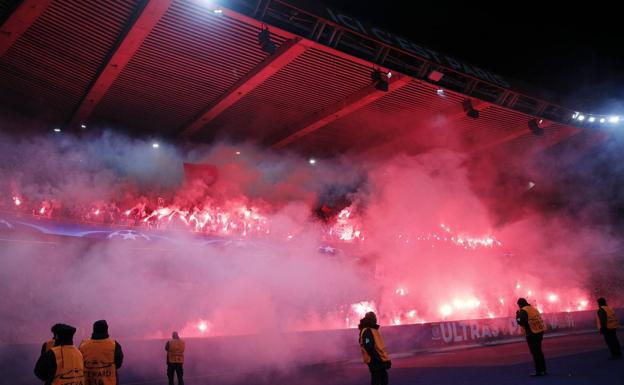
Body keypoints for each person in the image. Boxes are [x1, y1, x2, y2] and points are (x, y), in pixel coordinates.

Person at [79, 320, 124, 385]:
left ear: (94, 329)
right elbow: (118, 364)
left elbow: (79, 363)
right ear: (106, 329)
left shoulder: (83, 345)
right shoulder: (114, 345)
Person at [516, 298, 547, 376]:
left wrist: (517, 316)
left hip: (532, 333)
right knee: (539, 351)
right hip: (540, 331)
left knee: (535, 352)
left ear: (520, 304)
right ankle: (543, 370)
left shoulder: (523, 311)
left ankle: (538, 371)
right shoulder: (533, 308)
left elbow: (521, 321)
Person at [358, 311, 391, 385]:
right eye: (374, 317)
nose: (376, 319)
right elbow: (369, 346)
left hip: (377, 360)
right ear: (371, 318)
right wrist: (378, 360)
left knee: (381, 378)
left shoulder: (371, 329)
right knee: (379, 379)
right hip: (375, 360)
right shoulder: (367, 330)